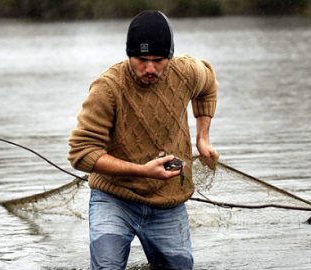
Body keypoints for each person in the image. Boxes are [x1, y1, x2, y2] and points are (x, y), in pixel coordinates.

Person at [68, 10, 219, 270]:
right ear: (129, 55)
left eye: (158, 60)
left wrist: (202, 138)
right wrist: (142, 171)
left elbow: (208, 84)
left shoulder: (186, 72)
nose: (150, 68)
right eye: (141, 59)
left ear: (170, 57)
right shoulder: (107, 88)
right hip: (114, 198)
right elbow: (81, 153)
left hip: (168, 202)